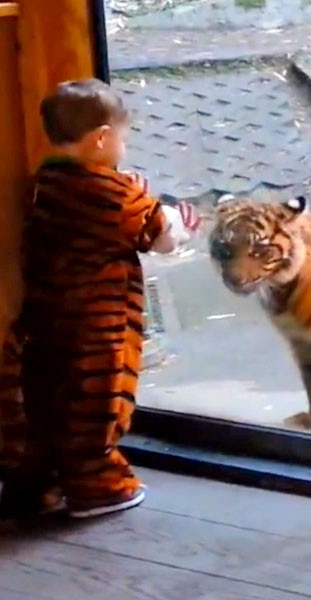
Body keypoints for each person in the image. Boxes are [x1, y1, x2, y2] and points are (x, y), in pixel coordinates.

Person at [0, 78, 200, 519]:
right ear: (102, 139)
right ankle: (99, 487)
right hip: (97, 326)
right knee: (97, 407)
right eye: (123, 139)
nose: (124, 148)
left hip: (44, 322)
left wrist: (128, 189)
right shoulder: (111, 195)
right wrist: (182, 220)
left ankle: (34, 487)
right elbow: (160, 235)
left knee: (42, 407)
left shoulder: (47, 182)